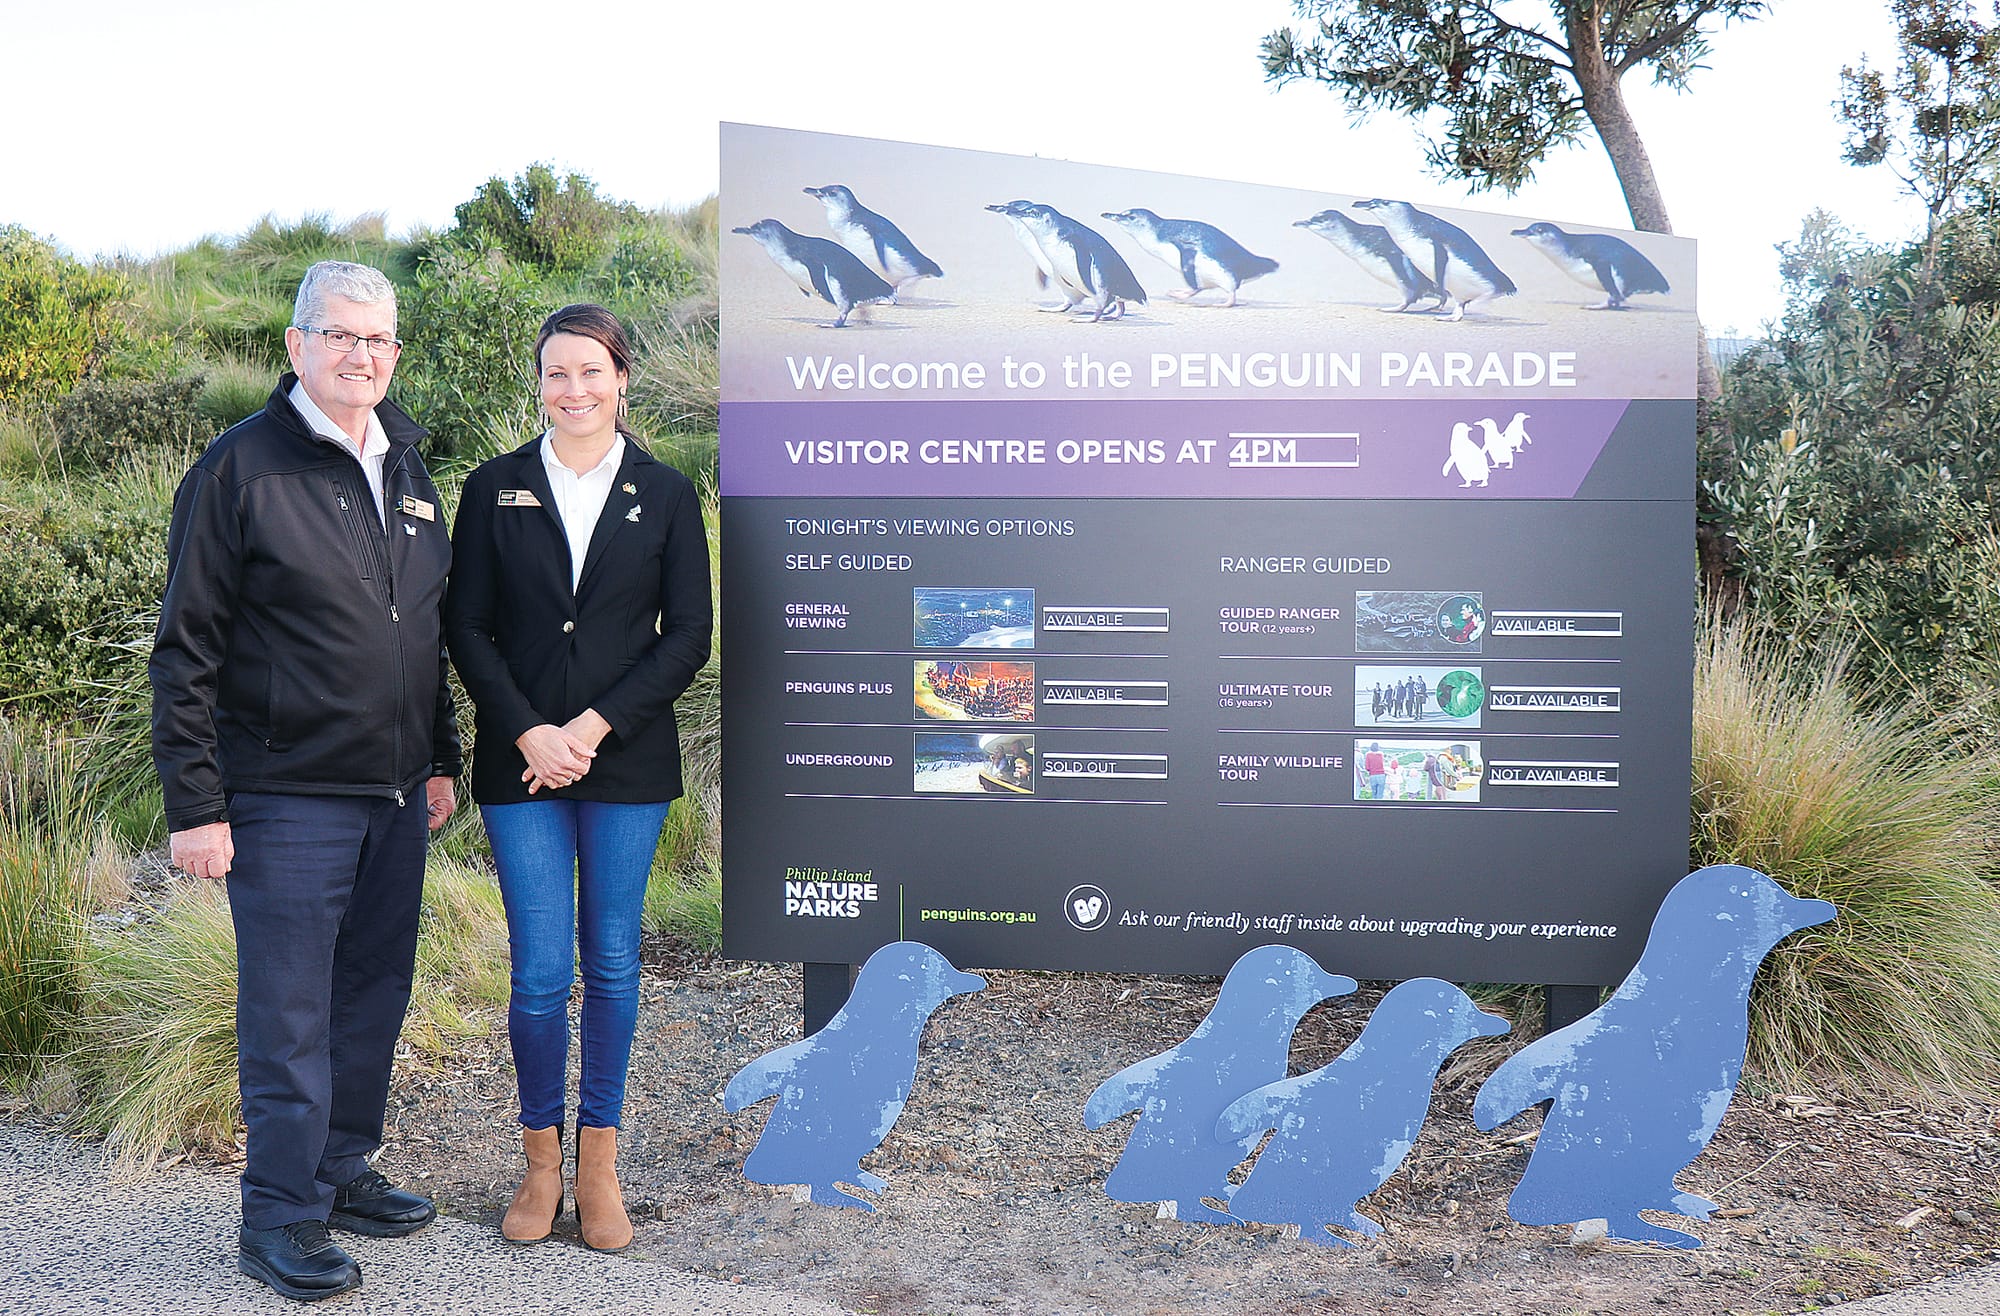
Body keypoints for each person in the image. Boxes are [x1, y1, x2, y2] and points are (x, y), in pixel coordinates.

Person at [150, 261, 460, 1301]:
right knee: (288, 1012)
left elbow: (424, 631)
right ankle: (278, 1216)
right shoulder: (241, 468)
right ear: (296, 344)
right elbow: (185, 647)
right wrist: (196, 803)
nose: (359, 355)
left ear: (395, 353)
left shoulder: (408, 465)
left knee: (372, 993)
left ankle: (337, 1170)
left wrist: (441, 755)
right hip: (283, 795)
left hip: (393, 791)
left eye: (377, 339)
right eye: (339, 336)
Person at [445, 304, 712, 1250]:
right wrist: (528, 730)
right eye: (557, 373)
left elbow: (688, 636)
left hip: (625, 760)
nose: (574, 390)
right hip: (522, 764)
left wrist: (591, 727)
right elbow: (465, 627)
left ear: (622, 378)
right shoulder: (494, 488)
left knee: (610, 963)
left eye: (591, 372)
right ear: (540, 383)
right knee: (540, 971)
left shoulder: (667, 493)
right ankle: (540, 1162)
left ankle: (601, 1165)